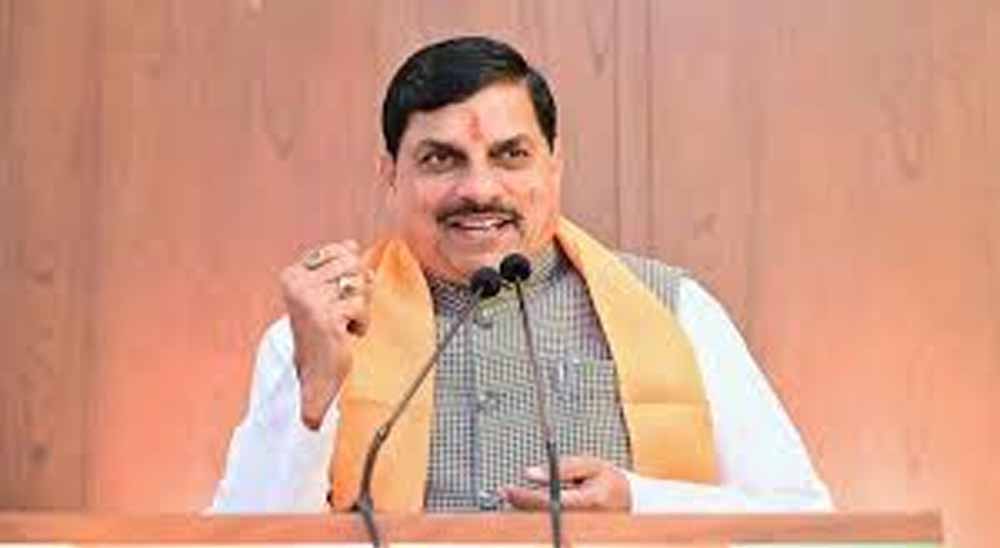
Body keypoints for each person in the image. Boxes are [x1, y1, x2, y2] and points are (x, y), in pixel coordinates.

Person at [211, 36, 832, 514]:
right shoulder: (327, 328)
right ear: (390, 175)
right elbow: (237, 544)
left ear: (554, 165)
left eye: (511, 155)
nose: (480, 189)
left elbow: (803, 522)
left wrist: (639, 501)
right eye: (441, 159)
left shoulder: (675, 310)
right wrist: (312, 396)